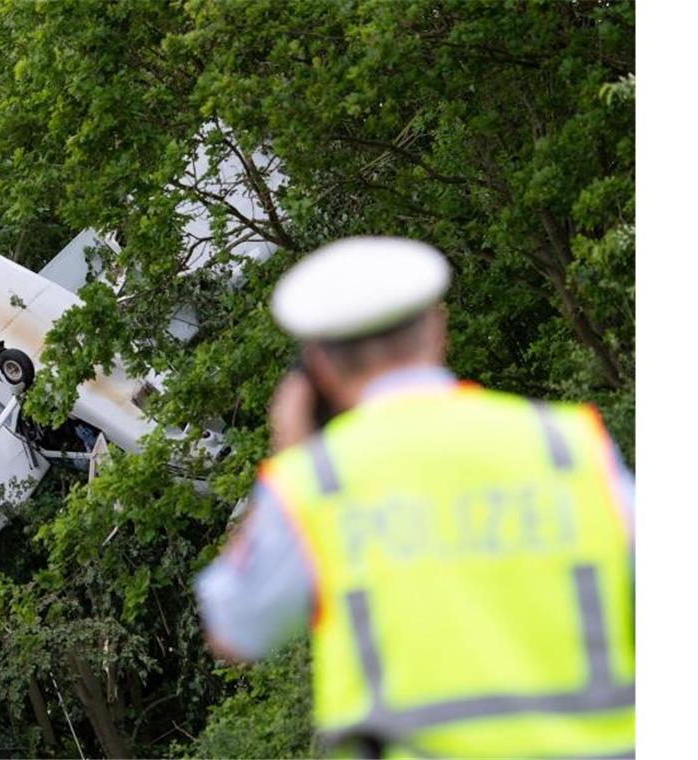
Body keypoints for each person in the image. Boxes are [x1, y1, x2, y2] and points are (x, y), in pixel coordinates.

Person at [195, 237, 634, 758]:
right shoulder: (566, 444)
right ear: (437, 329)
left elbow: (235, 628)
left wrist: (290, 462)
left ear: (320, 369)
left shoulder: (316, 486)